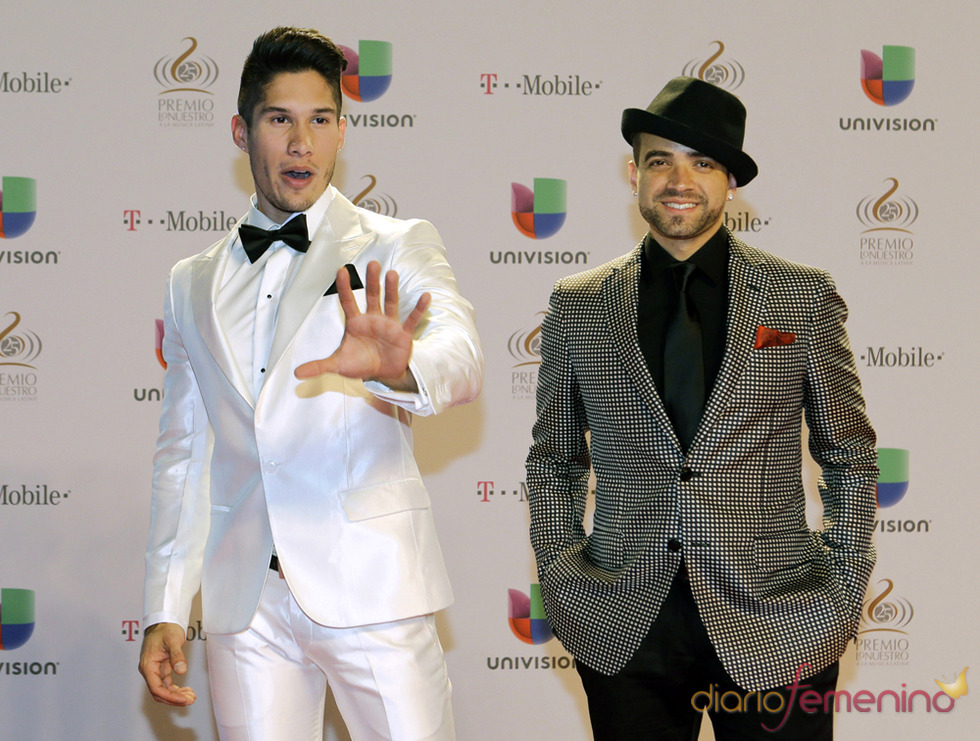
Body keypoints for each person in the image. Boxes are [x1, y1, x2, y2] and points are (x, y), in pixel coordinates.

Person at [138, 26, 482, 741]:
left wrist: (399, 367)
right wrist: (166, 605)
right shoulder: (191, 281)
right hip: (246, 606)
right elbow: (184, 454)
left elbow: (462, 355)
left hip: (374, 589)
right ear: (242, 131)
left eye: (320, 120)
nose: (302, 144)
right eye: (280, 120)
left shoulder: (394, 243)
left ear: (341, 132)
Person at [525, 77, 877, 740]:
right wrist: (562, 577)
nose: (679, 180)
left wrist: (842, 587)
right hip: (623, 623)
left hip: (780, 619)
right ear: (634, 174)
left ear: (730, 182)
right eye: (660, 160)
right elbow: (554, 461)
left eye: (703, 163)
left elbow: (850, 454)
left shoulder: (801, 296)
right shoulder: (580, 303)